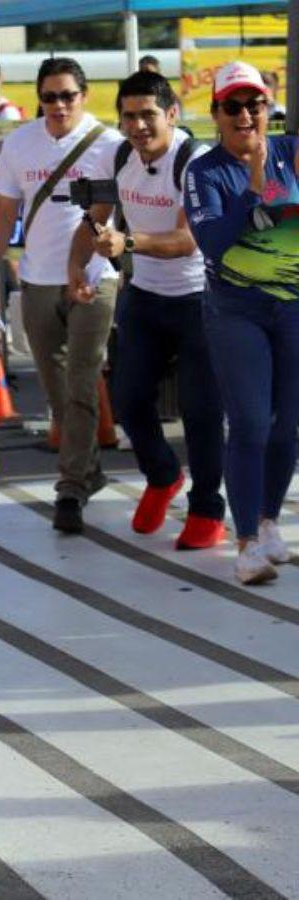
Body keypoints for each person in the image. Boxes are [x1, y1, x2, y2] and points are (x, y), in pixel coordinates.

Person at [68, 70, 225, 551]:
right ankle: (162, 476)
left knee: (201, 410)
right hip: (146, 297)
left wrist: (128, 242)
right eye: (129, 116)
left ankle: (206, 508)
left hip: (200, 297)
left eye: (148, 115)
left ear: (172, 114)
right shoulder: (118, 155)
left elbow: (188, 240)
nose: (138, 126)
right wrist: (76, 269)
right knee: (129, 399)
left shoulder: (194, 161)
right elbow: (95, 223)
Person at [0, 56, 123, 534]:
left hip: (93, 278)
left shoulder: (110, 145)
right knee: (56, 391)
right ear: (38, 98)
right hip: (37, 280)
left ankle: (69, 488)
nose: (59, 105)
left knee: (82, 379)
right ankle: (88, 468)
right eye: (49, 97)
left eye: (68, 96)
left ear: (84, 96)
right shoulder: (19, 143)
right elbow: (3, 215)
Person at [183, 61, 299, 584]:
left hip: (293, 306)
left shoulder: (291, 152)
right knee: (251, 421)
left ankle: (270, 522)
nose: (246, 115)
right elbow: (212, 242)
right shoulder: (203, 171)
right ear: (216, 114)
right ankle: (247, 541)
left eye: (255, 104)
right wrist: (254, 186)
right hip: (235, 311)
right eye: (233, 106)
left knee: (288, 422)